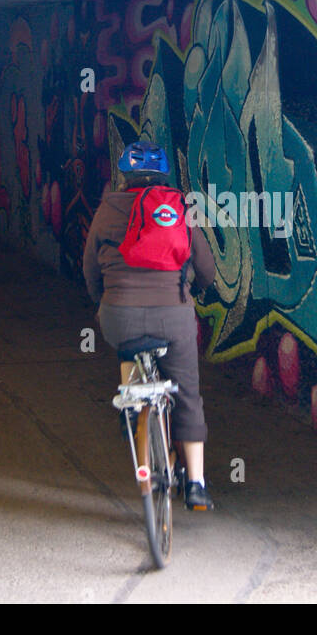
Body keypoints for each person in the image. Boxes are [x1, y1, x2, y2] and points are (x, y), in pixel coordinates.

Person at [83, 140, 218, 511]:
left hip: (119, 318)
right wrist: (195, 293)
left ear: (125, 176)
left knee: (128, 345)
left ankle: (132, 410)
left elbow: (90, 268)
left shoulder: (107, 209)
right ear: (163, 176)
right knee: (187, 393)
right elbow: (205, 268)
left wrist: (101, 300)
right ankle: (195, 484)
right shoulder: (178, 209)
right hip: (173, 316)